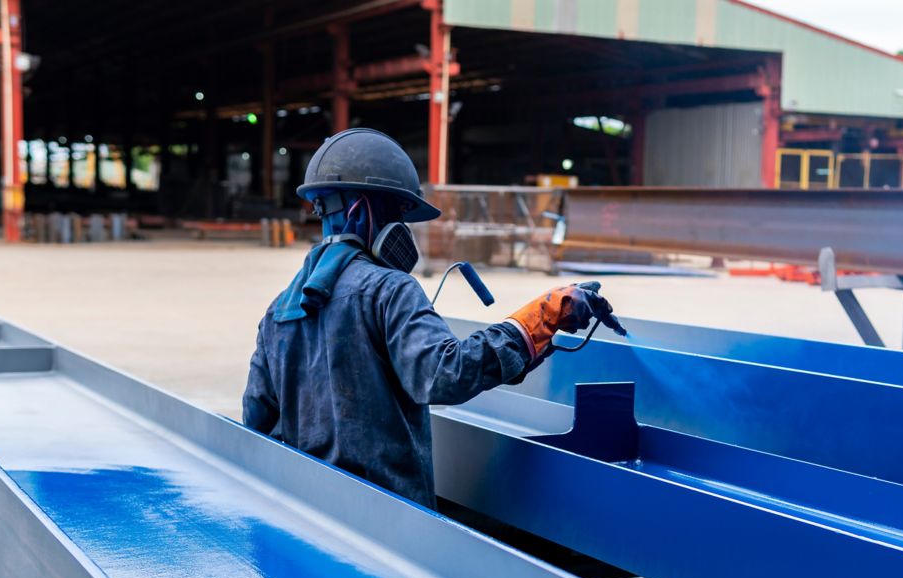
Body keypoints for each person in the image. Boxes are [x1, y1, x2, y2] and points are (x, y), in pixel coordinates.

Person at [243, 128, 621, 510]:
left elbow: (257, 423)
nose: (403, 230)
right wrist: (541, 317)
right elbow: (445, 374)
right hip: (393, 518)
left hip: (311, 514)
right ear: (360, 210)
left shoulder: (277, 313)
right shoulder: (389, 289)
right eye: (397, 213)